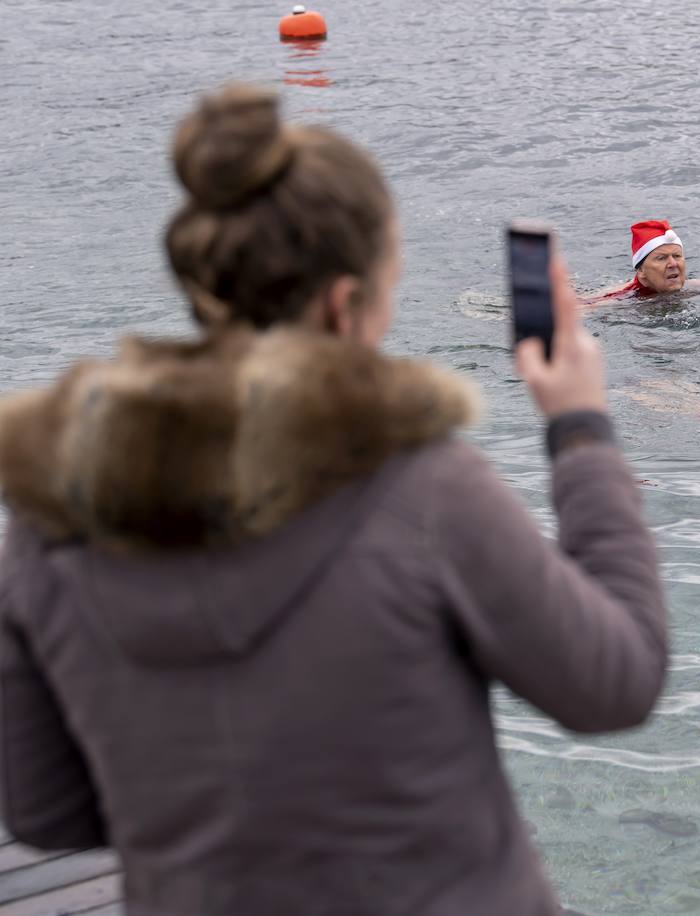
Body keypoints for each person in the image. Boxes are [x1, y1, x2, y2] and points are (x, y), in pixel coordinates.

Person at [0, 84, 666, 916]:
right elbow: (618, 681)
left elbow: (47, 813)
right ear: (345, 304)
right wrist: (580, 430)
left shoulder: (53, 513)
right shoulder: (423, 489)